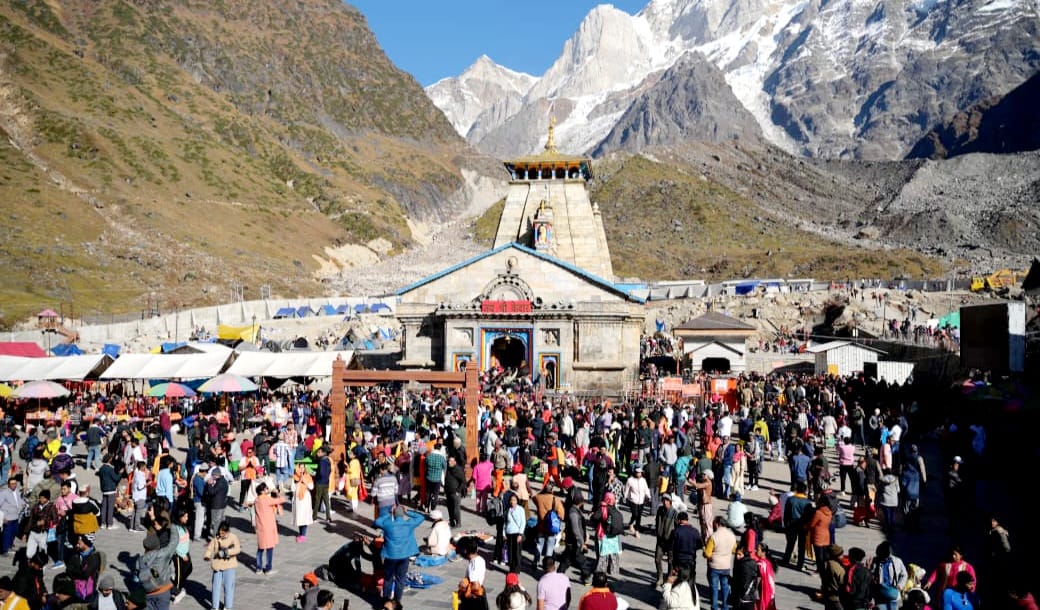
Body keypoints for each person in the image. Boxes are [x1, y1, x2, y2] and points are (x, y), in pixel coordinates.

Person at [374, 505, 424, 605]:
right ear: (402, 514)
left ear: (394, 514)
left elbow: (377, 521)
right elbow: (421, 517)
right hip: (404, 556)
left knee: (388, 579)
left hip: (390, 556)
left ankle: (386, 601)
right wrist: (408, 512)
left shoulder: (388, 524)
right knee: (400, 580)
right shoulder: (409, 524)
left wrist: (389, 513)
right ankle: (397, 602)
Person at [135, 530, 179, 610]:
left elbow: (137, 578)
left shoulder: (140, 560)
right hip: (162, 592)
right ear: (158, 546)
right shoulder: (161, 557)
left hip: (148, 592)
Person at [203, 521, 240, 610]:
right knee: (215, 587)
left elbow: (238, 549)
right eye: (220, 532)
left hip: (229, 566)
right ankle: (214, 607)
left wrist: (227, 552)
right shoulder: (216, 538)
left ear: (227, 531)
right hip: (218, 565)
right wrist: (207, 555)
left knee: (228, 588)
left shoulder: (233, 537)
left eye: (223, 533)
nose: (221, 534)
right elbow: (210, 548)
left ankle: (227, 606)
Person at [252, 482, 286, 575]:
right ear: (262, 491)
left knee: (260, 548)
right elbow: (282, 500)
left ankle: (258, 568)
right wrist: (277, 493)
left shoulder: (257, 500)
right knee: (269, 548)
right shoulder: (266, 499)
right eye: (266, 488)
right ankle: (268, 568)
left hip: (260, 526)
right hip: (268, 526)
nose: (268, 489)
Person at [704, 516, 736, 610]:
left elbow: (707, 553)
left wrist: (705, 553)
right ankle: (725, 606)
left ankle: (714, 607)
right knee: (725, 587)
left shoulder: (714, 536)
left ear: (717, 523)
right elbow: (734, 550)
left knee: (714, 587)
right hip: (726, 566)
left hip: (714, 566)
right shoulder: (732, 535)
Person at [559, 493, 589, 585]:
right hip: (574, 542)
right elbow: (575, 529)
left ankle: (559, 575)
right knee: (580, 560)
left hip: (573, 541)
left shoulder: (575, 510)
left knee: (567, 560)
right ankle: (586, 576)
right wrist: (582, 542)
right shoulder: (573, 513)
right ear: (580, 502)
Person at [781, 481, 811, 572]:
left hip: (791, 524)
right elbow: (809, 516)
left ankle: (786, 560)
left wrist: (786, 524)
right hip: (802, 526)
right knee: (801, 546)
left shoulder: (791, 499)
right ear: (805, 491)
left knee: (790, 543)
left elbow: (786, 514)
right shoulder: (807, 502)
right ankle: (800, 564)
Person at [870, 541, 909, 610]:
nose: (882, 558)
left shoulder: (897, 561)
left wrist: (900, 585)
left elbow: (904, 574)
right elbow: (871, 576)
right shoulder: (875, 561)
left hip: (893, 592)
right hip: (880, 594)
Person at [672, 511, 704, 588]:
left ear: (679, 520)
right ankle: (691, 592)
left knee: (679, 579)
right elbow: (700, 545)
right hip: (691, 558)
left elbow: (671, 546)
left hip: (679, 559)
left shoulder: (676, 531)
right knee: (691, 578)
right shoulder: (695, 531)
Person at [654, 494, 679, 587]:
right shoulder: (660, 510)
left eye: (667, 500)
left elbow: (677, 526)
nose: (665, 502)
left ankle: (668, 579)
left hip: (670, 541)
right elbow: (657, 522)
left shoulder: (674, 513)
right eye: (663, 500)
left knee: (670, 562)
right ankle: (660, 578)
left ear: (670, 501)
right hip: (660, 540)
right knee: (657, 559)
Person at [731, 544, 762, 610]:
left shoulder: (744, 565)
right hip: (750, 596)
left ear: (744, 554)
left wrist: (732, 582)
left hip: (745, 597)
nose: (737, 556)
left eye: (739, 554)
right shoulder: (750, 562)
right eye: (736, 554)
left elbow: (745, 583)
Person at [170, 510, 192, 604]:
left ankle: (175, 585)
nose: (187, 518)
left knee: (189, 569)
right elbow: (174, 544)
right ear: (180, 517)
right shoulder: (175, 528)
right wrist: (182, 555)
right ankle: (177, 593)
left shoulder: (184, 526)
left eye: (187, 516)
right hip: (179, 555)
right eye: (185, 516)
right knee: (179, 575)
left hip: (186, 553)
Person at [622, 465, 650, 535]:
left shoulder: (643, 480)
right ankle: (631, 523)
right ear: (634, 472)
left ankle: (637, 530)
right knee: (635, 514)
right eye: (638, 472)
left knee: (639, 515)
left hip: (641, 500)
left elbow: (646, 489)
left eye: (640, 472)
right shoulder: (630, 480)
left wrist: (649, 496)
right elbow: (626, 490)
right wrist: (624, 497)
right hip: (633, 500)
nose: (639, 474)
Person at [0, 477, 24, 555]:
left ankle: (9, 546)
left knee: (13, 533)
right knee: (6, 534)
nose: (14, 485)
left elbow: (20, 501)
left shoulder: (17, 492)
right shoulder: (4, 493)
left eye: (15, 483)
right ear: (8, 485)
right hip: (7, 518)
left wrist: (23, 504)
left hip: (16, 516)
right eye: (12, 484)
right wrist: (2, 517)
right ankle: (4, 550)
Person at [820, 544, 846, 610]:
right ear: (837, 556)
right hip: (835, 597)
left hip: (827, 594)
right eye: (841, 555)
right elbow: (843, 582)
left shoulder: (826, 563)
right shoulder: (837, 567)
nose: (843, 556)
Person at [504, 494, 526, 573]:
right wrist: (504, 534)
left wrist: (520, 534)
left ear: (517, 501)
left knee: (516, 553)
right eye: (511, 500)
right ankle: (511, 569)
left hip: (517, 533)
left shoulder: (520, 509)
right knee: (510, 552)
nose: (512, 502)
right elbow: (505, 523)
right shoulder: (507, 509)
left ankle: (516, 570)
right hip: (509, 533)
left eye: (514, 500)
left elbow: (523, 522)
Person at [293, 462, 314, 542]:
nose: (302, 469)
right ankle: (300, 533)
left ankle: (303, 535)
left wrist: (305, 481)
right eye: (300, 467)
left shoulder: (308, 476)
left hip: (305, 499)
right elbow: (292, 488)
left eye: (303, 467)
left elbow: (311, 487)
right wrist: (299, 481)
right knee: (299, 517)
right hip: (298, 499)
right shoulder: (295, 477)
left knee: (304, 516)